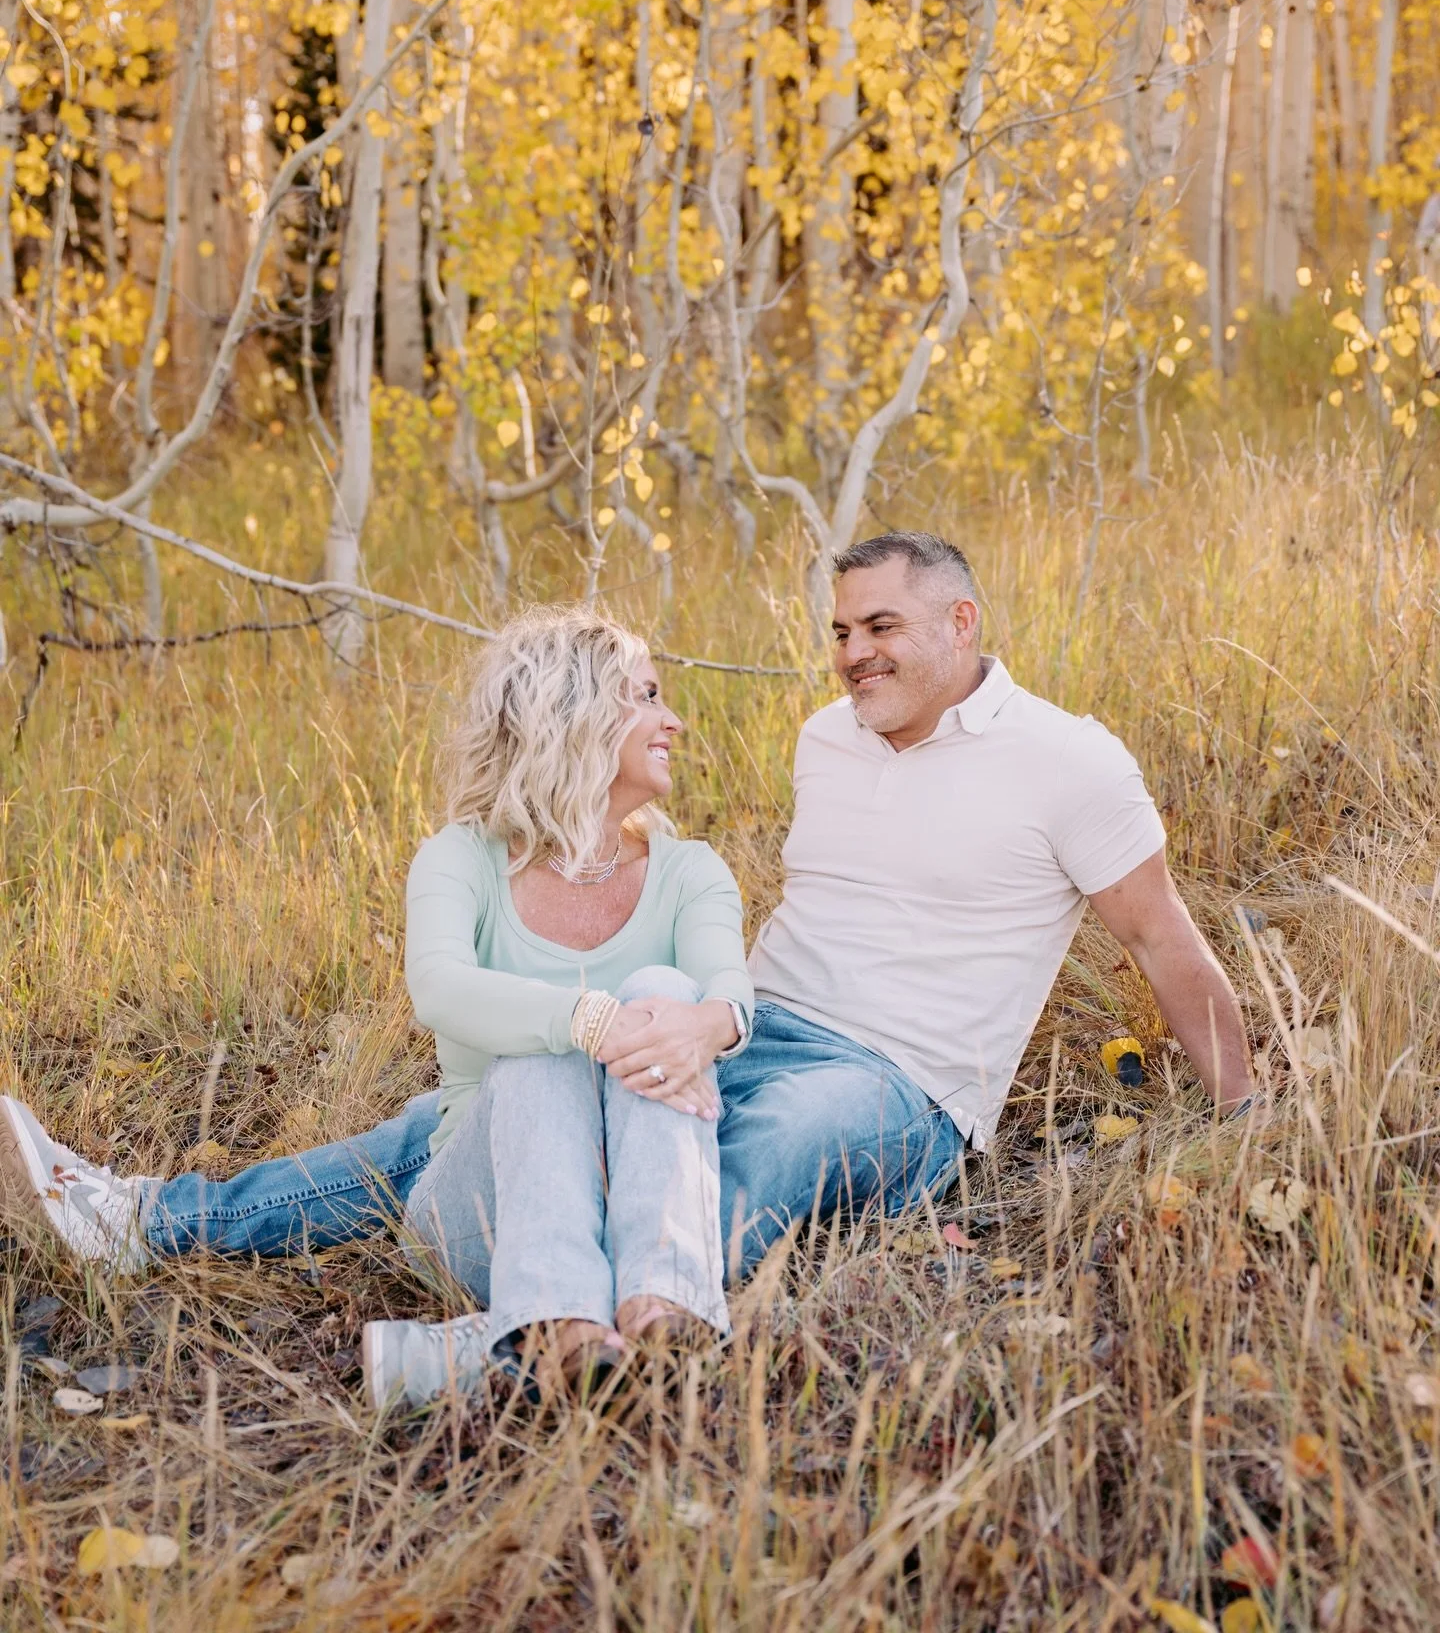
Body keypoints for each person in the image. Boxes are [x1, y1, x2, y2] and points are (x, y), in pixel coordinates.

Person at [0, 532, 1256, 1409]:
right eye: (838, 631)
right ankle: (147, 1217)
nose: (853, 654)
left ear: (961, 623)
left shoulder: (1071, 763)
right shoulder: (832, 736)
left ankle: (507, 1352)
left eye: (881, 628)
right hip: (752, 1019)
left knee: (749, 1161)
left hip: (904, 1077)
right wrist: (686, 1021)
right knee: (472, 1111)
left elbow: (1164, 944)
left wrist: (1250, 1119)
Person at [0, 607, 754, 1404]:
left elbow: (727, 994)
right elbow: (440, 987)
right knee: (536, 1060)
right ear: (572, 712)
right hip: (484, 1211)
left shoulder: (691, 872)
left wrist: (706, 1026)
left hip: (638, 1197)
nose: (674, 719)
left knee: (669, 995)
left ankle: (661, 1313)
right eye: (645, 695)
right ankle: (558, 1324)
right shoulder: (460, 859)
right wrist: (590, 1023)